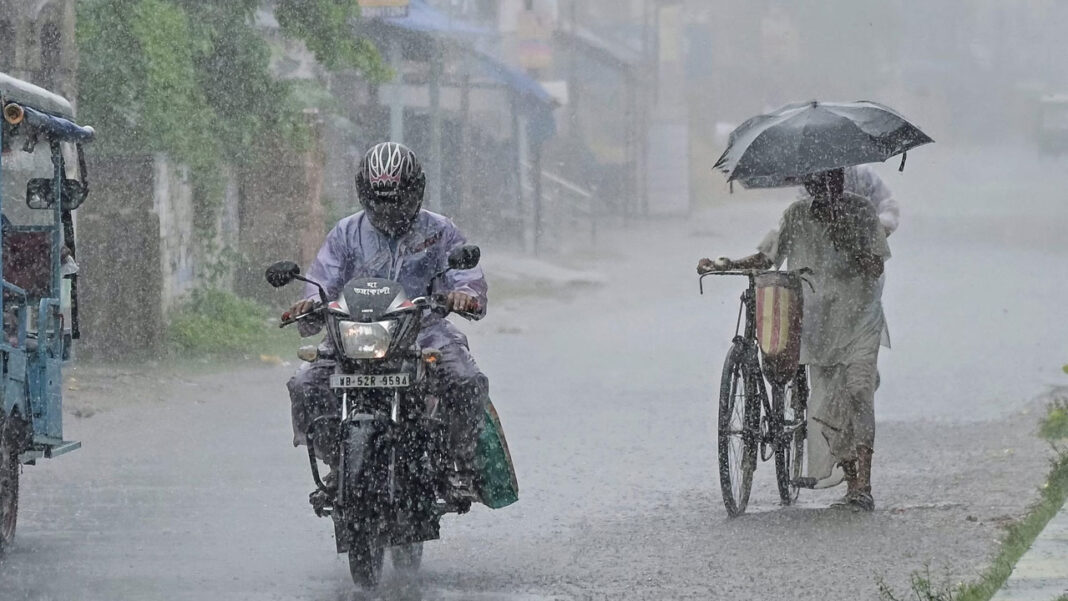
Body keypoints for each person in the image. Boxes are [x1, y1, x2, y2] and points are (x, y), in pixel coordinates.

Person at [286, 142, 489, 505]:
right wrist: (308, 305)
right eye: (380, 200)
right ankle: (338, 462)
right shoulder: (346, 233)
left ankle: (460, 466)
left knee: (466, 380)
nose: (388, 209)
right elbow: (323, 281)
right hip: (355, 332)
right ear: (365, 194)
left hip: (423, 330)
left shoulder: (440, 231)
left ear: (415, 191)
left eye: (397, 199)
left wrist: (464, 295)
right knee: (305, 383)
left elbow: (467, 277)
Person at [697, 168, 890, 511]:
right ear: (809, 186)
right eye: (818, 182)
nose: (826, 187)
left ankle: (864, 483)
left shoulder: (862, 211)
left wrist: (847, 237)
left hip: (860, 317)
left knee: (859, 389)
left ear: (841, 181)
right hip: (821, 324)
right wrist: (725, 263)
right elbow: (767, 256)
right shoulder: (797, 215)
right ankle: (850, 477)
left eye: (833, 180)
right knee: (827, 402)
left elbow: (875, 266)